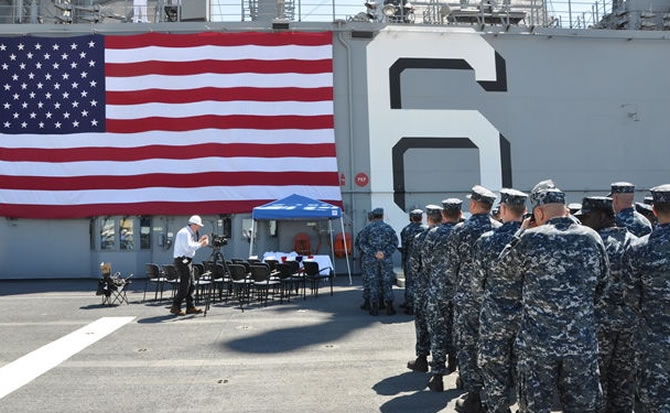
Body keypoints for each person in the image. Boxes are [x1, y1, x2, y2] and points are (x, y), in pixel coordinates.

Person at [497, 181, 609, 413]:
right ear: (565, 209)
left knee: (536, 407)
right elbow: (603, 283)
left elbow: (502, 271)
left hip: (538, 344)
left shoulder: (531, 238)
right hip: (580, 340)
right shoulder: (591, 237)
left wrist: (521, 231)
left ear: (538, 213)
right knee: (583, 406)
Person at [576, 196, 638, 413]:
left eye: (586, 217)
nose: (582, 221)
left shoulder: (590, 244)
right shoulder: (635, 241)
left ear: (602, 216)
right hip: (629, 326)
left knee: (596, 385)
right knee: (623, 385)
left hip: (598, 326)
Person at [446, 185, 501, 412]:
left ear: (473, 204)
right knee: (492, 346)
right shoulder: (499, 229)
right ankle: (494, 392)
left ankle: (474, 395)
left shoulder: (460, 230)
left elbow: (451, 268)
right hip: (494, 299)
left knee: (467, 346)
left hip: (467, 298)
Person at [474, 188, 528, 413]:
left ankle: (499, 408)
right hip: (527, 315)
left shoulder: (487, 240)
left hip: (495, 314)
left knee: (494, 366)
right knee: (525, 367)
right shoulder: (533, 238)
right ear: (524, 211)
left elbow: (477, 280)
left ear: (503, 209)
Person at [624, 184, 670, 413]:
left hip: (653, 339)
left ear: (653, 210)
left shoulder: (639, 248)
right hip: (652, 337)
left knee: (652, 399)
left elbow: (631, 296)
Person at [422, 198, 462, 392]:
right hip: (461, 292)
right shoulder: (465, 233)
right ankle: (461, 373)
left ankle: (437, 376)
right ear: (460, 214)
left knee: (438, 332)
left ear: (443, 214)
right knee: (461, 333)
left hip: (438, 290)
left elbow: (426, 263)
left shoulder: (433, 234)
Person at [406, 205, 442, 375]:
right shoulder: (453, 235)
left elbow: (413, 266)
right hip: (447, 289)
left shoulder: (421, 238)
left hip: (424, 287)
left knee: (422, 323)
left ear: (428, 219)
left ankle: (422, 358)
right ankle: (451, 361)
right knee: (446, 325)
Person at [358, 207, 399, 316]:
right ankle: (389, 307)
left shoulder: (367, 229)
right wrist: (384, 253)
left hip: (371, 260)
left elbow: (362, 244)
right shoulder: (388, 228)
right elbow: (395, 243)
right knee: (387, 282)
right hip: (385, 259)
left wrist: (373, 253)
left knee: (373, 282)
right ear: (382, 215)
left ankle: (374, 307)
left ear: (373, 216)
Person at [170, 215, 209, 316]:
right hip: (183, 261)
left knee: (191, 285)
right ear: (194, 224)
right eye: (198, 225)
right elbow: (188, 248)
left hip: (186, 261)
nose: (199, 227)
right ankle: (176, 306)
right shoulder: (185, 233)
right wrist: (201, 244)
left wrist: (199, 242)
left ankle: (190, 306)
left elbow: (189, 246)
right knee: (185, 285)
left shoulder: (187, 233)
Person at [399, 208, 426, 313]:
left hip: (410, 259)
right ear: (421, 217)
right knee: (422, 282)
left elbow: (404, 246)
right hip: (424, 259)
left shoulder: (406, 230)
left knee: (410, 282)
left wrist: (405, 257)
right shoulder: (426, 229)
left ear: (411, 218)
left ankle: (409, 303)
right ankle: (420, 304)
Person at [356, 211, 376, 311]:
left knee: (368, 281)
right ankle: (382, 302)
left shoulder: (364, 230)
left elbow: (358, 244)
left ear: (369, 218)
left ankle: (368, 302)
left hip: (367, 259)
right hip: (383, 259)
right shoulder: (387, 228)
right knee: (382, 280)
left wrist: (366, 253)